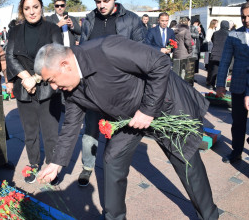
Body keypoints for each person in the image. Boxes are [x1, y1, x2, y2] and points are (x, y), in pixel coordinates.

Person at [35, 36, 219, 220]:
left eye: (52, 80)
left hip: (164, 105)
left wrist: (148, 110)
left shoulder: (107, 48)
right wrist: (56, 163)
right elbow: (71, 124)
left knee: (186, 162)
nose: (54, 87)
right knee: (112, 159)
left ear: (66, 65)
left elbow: (160, 63)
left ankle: (209, 216)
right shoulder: (71, 88)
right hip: (128, 119)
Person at [77, 0, 146, 187]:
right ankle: (87, 167)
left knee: (116, 132)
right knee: (90, 130)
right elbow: (81, 52)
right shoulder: (89, 20)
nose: (101, 5)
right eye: (98, 1)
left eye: (106, 0)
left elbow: (141, 55)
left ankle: (113, 167)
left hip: (120, 89)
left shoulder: (132, 20)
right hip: (93, 89)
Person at [5, 0, 63, 184]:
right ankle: (33, 163)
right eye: (27, 8)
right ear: (22, 10)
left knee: (50, 133)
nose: (32, 12)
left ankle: (51, 167)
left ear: (41, 7)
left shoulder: (52, 28)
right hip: (24, 89)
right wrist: (26, 78)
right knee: (30, 132)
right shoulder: (14, 31)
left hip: (47, 88)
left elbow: (57, 56)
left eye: (35, 7)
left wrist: (36, 78)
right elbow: (10, 57)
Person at [216, 1, 249, 164]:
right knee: (238, 123)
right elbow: (225, 61)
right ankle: (236, 152)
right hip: (239, 86)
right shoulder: (233, 35)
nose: (246, 19)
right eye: (243, 16)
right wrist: (220, 83)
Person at [206, 20, 230, 90]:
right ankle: (220, 86)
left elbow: (212, 40)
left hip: (215, 54)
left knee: (214, 70)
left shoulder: (215, 33)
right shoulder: (229, 33)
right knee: (223, 71)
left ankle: (211, 84)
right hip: (224, 55)